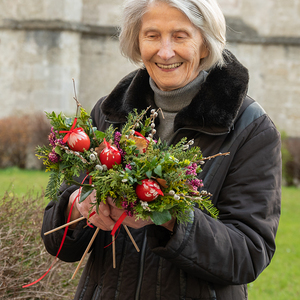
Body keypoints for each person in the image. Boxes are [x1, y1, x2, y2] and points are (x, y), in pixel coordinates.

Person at [41, 0, 281, 299]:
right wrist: (77, 204)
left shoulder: (249, 128)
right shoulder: (109, 113)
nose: (165, 52)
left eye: (180, 36)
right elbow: (58, 244)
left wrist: (167, 216)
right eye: (152, 35)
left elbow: (248, 255)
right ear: (137, 43)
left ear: (206, 45)